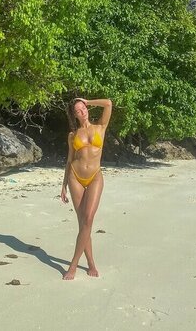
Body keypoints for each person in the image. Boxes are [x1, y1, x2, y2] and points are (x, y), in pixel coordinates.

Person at [61, 96, 112, 280]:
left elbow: (108, 103)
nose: (82, 112)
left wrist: (87, 101)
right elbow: (69, 160)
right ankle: (90, 263)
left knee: (88, 218)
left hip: (95, 176)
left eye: (83, 108)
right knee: (83, 223)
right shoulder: (73, 135)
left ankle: (73, 265)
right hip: (75, 177)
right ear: (74, 115)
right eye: (78, 111)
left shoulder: (100, 127)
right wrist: (63, 185)